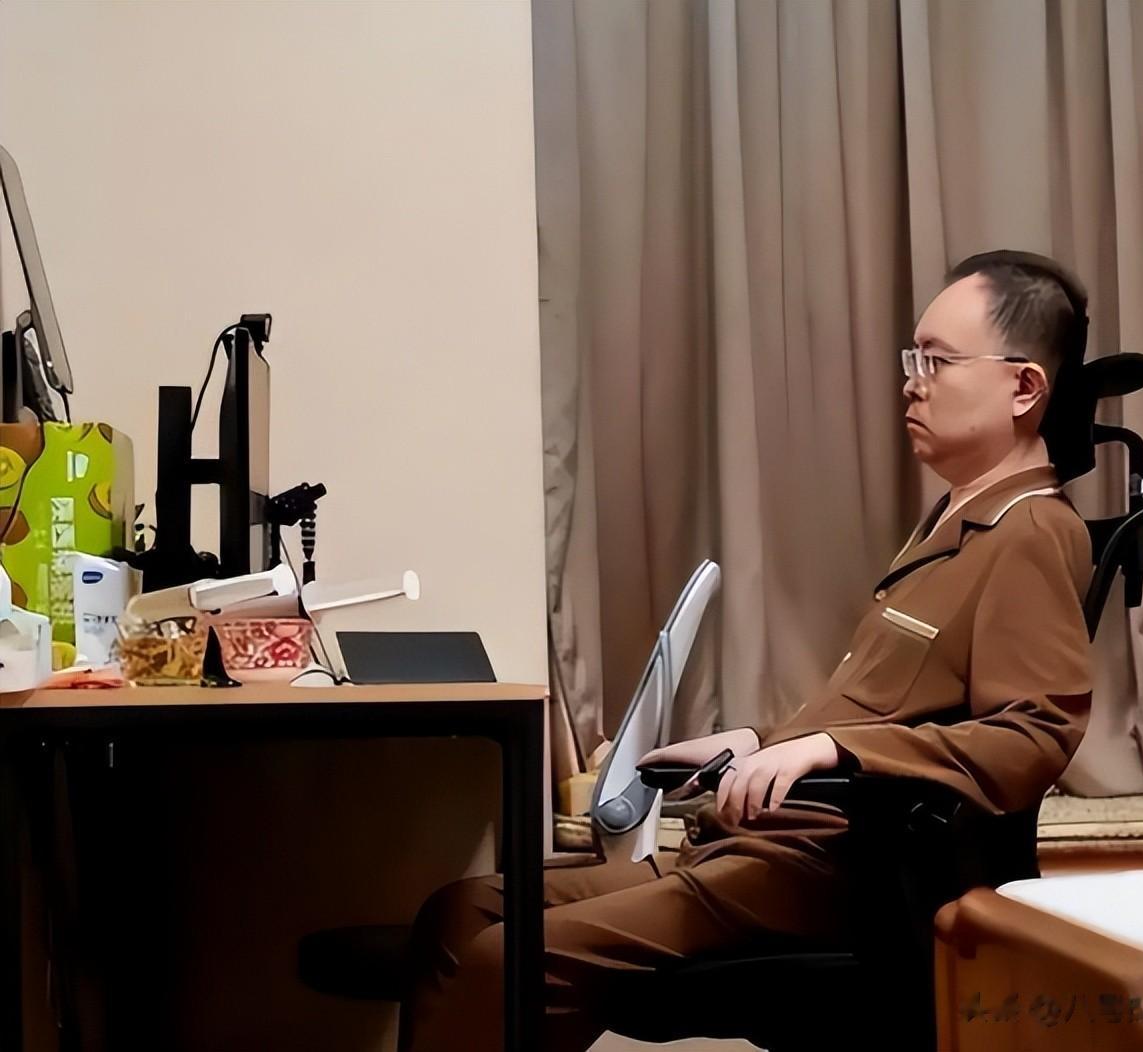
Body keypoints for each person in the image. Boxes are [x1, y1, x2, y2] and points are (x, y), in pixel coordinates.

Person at [400, 251, 1095, 1051]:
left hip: (825, 869)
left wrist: (829, 749)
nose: (912, 383)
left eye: (936, 362)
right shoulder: (954, 522)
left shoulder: (1029, 533)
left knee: (507, 963)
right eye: (913, 359)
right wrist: (758, 743)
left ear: (1023, 388)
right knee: (458, 915)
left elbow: (1033, 735)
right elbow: (892, 704)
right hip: (763, 848)